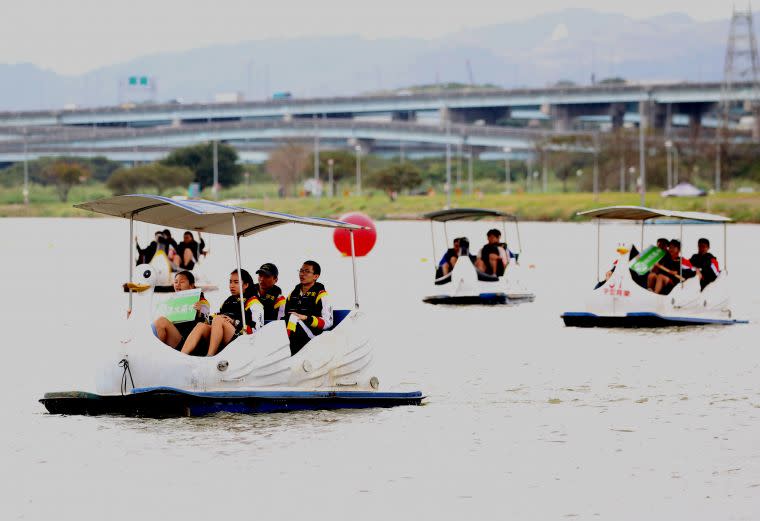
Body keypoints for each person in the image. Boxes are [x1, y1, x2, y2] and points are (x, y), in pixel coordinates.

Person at [181, 269, 264, 357]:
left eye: (236, 282)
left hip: (243, 341)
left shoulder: (254, 303)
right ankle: (181, 357)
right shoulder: (229, 301)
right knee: (201, 325)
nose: (231, 286)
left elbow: (257, 330)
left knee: (219, 319)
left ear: (246, 285)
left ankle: (209, 356)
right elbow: (215, 316)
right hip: (224, 335)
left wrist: (234, 322)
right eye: (230, 282)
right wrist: (200, 312)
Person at [283, 260, 333, 356]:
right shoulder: (292, 294)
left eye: (307, 271)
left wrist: (305, 318)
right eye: (301, 271)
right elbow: (284, 318)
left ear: (316, 276)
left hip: (313, 337)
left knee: (293, 318)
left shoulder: (322, 295)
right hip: (294, 332)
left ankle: (286, 354)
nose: (302, 274)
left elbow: (328, 322)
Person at [153, 271, 210, 350]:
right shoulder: (171, 301)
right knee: (157, 322)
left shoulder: (200, 300)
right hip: (175, 338)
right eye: (176, 282)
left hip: (189, 342)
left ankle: (156, 352)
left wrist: (201, 310)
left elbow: (207, 317)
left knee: (161, 321)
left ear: (191, 286)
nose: (178, 284)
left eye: (182, 282)